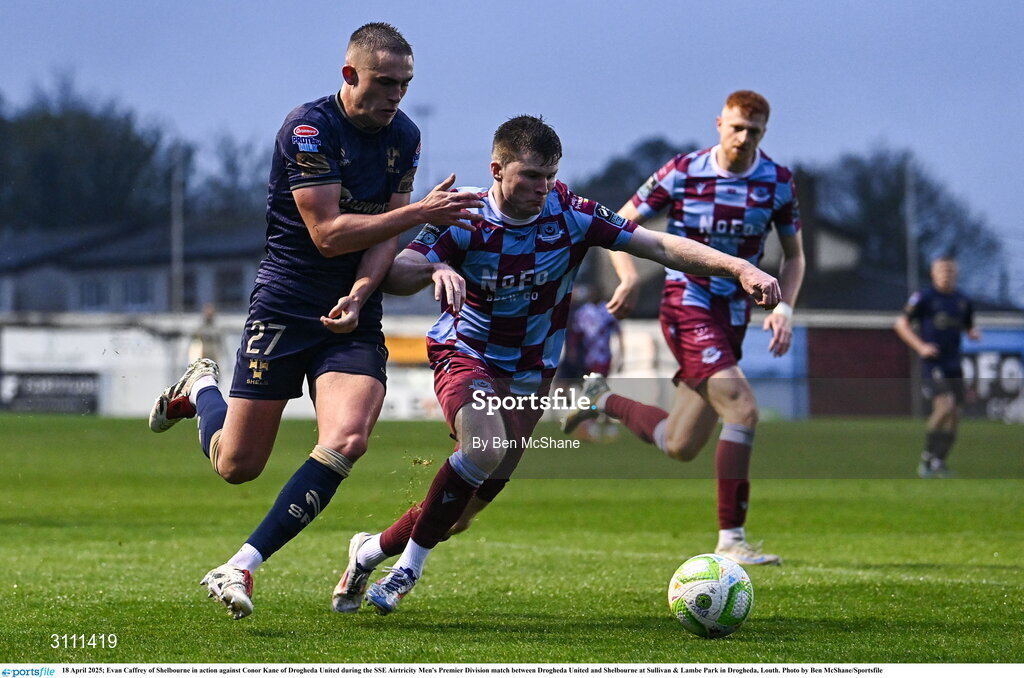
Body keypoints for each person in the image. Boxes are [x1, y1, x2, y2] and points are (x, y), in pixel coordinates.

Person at [328, 115, 781, 615]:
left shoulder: (571, 212)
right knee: (484, 448)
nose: (543, 188)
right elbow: (396, 270)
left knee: (459, 515)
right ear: (497, 169)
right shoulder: (466, 213)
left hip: (531, 372)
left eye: (550, 176)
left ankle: (367, 551)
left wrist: (740, 266)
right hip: (467, 351)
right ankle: (407, 571)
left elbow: (659, 245)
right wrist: (435, 266)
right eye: (530, 176)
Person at [146, 23, 484, 620]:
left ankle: (243, 565)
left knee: (347, 439)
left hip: (351, 314)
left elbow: (384, 230)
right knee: (237, 466)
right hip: (284, 304)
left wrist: (360, 292)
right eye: (384, 83)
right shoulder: (309, 129)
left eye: (404, 85)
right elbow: (328, 234)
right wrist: (418, 212)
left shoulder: (404, 135)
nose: (395, 97)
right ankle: (201, 387)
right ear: (350, 75)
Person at [562, 90, 805, 566]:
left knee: (680, 443)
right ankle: (731, 540)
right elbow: (621, 223)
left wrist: (785, 310)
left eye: (754, 131)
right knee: (743, 409)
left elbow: (794, 257)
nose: (743, 138)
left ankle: (599, 399)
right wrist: (629, 276)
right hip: (687, 304)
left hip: (734, 314)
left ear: (765, 133)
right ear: (719, 124)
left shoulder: (777, 182)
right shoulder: (684, 171)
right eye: (736, 127)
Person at [894, 256, 980, 478]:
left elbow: (969, 325)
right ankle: (926, 459)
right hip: (934, 363)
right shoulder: (924, 297)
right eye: (942, 271)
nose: (946, 274)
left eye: (950, 271)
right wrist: (920, 346)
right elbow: (901, 324)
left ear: (956, 273)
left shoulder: (962, 300)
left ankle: (938, 462)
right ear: (933, 273)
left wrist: (972, 332)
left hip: (954, 363)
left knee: (955, 415)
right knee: (945, 405)